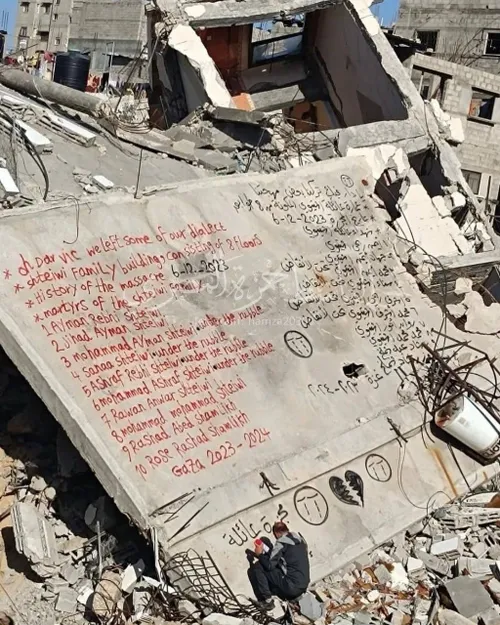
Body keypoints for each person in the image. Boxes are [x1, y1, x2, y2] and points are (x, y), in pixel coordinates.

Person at [246, 522, 310, 610]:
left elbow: (269, 566)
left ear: (276, 533)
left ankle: (267, 602)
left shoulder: (281, 542)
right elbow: (286, 559)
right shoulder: (299, 539)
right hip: (304, 584)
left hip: (292, 587)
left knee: (258, 566)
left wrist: (260, 554)